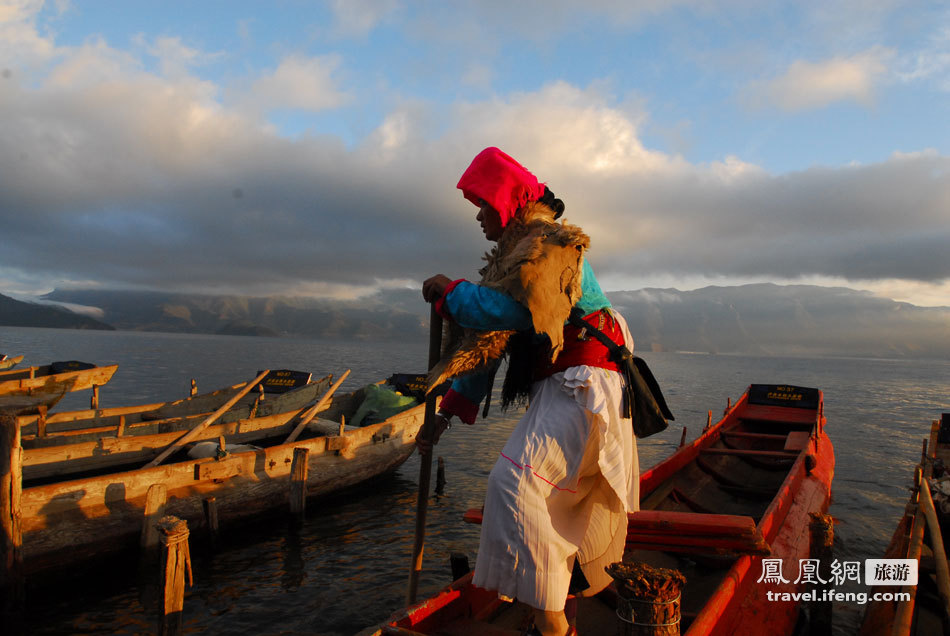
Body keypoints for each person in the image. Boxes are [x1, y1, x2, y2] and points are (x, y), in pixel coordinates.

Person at [419, 147, 638, 636]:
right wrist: (447, 413)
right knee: (558, 498)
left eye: (483, 205)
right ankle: (569, 604)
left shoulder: (552, 245)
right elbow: (487, 344)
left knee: (514, 485)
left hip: (585, 381)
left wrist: (452, 294)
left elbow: (520, 313)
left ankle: (554, 624)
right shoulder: (509, 262)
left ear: (507, 201)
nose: (477, 217)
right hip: (566, 383)